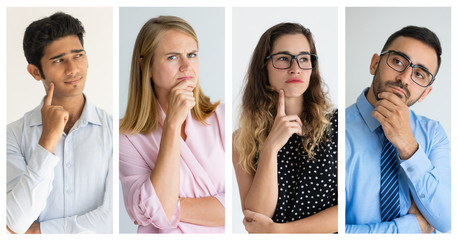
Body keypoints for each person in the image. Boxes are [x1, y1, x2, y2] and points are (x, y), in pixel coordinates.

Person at [6, 12, 113, 234]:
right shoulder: (13, 135)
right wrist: (47, 141)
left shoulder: (114, 130)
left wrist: (43, 231)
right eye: (58, 60)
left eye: (78, 55)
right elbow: (16, 222)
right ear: (35, 72)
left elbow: (112, 218)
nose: (73, 69)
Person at [119, 16, 225, 233]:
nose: (187, 66)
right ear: (146, 66)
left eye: (192, 55)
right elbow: (145, 211)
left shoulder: (222, 118)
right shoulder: (126, 136)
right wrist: (171, 126)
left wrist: (170, 207)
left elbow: (240, 205)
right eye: (172, 57)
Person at [233, 22, 337, 233]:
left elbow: (348, 210)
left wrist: (280, 231)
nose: (295, 67)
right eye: (283, 58)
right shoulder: (242, 139)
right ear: (264, 67)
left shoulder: (337, 125)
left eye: (304, 59)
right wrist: (270, 148)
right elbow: (256, 218)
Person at [345, 26, 450, 233]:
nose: (404, 78)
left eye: (419, 74)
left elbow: (446, 220)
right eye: (398, 62)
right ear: (375, 63)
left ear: (425, 93)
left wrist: (408, 146)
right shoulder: (333, 130)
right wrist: (411, 228)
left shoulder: (434, 133)